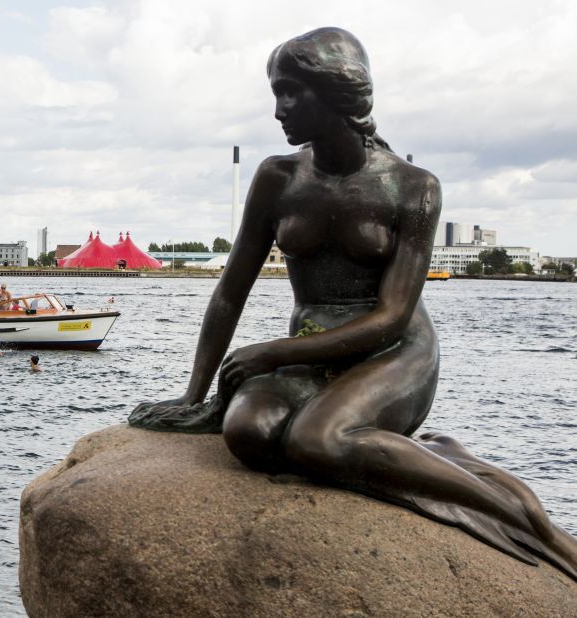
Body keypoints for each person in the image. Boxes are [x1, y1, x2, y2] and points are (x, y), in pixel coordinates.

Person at [130, 27, 577, 579]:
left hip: (395, 352)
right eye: (276, 93)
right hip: (311, 351)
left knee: (318, 440)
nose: (279, 110)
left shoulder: (415, 187)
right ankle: (417, 453)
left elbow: (390, 317)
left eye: (291, 92)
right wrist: (193, 395)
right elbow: (230, 291)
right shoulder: (277, 178)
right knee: (247, 432)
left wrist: (268, 355)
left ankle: (529, 521)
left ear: (337, 93)